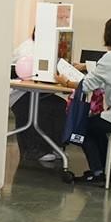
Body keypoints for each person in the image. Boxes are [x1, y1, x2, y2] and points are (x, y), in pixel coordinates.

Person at [56, 17, 111, 184]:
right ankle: (103, 170)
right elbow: (107, 78)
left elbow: (87, 85)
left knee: (84, 128)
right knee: (96, 126)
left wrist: (66, 82)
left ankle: (98, 173)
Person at [10, 28, 67, 164]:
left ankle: (55, 145)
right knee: (43, 106)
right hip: (20, 93)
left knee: (60, 104)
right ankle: (35, 149)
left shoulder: (43, 49)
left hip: (34, 91)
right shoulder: (28, 50)